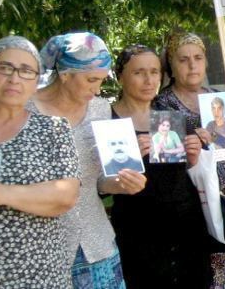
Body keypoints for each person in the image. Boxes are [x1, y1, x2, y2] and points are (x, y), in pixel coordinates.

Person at [0, 36, 80, 288]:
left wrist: (1, 193)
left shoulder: (53, 129)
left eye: (26, 71)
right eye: (5, 67)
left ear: (36, 82)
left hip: (38, 276)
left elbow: (66, 196)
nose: (14, 78)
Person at [155, 30, 225, 289]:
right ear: (171, 65)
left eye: (197, 57)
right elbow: (164, 166)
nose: (192, 64)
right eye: (183, 59)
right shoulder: (163, 105)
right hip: (200, 205)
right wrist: (190, 146)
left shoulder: (217, 98)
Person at [32, 32, 146, 288]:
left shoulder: (100, 108)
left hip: (97, 243)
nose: (97, 89)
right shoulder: (26, 109)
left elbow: (99, 182)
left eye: (102, 81)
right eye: (91, 80)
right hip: (45, 248)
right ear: (65, 74)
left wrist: (122, 183)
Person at [109, 44, 212, 288]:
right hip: (139, 229)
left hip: (185, 223)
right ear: (120, 75)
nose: (148, 80)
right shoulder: (109, 119)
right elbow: (101, 183)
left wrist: (193, 155)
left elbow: (185, 168)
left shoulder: (167, 114)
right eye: (139, 72)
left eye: (154, 72)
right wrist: (127, 154)